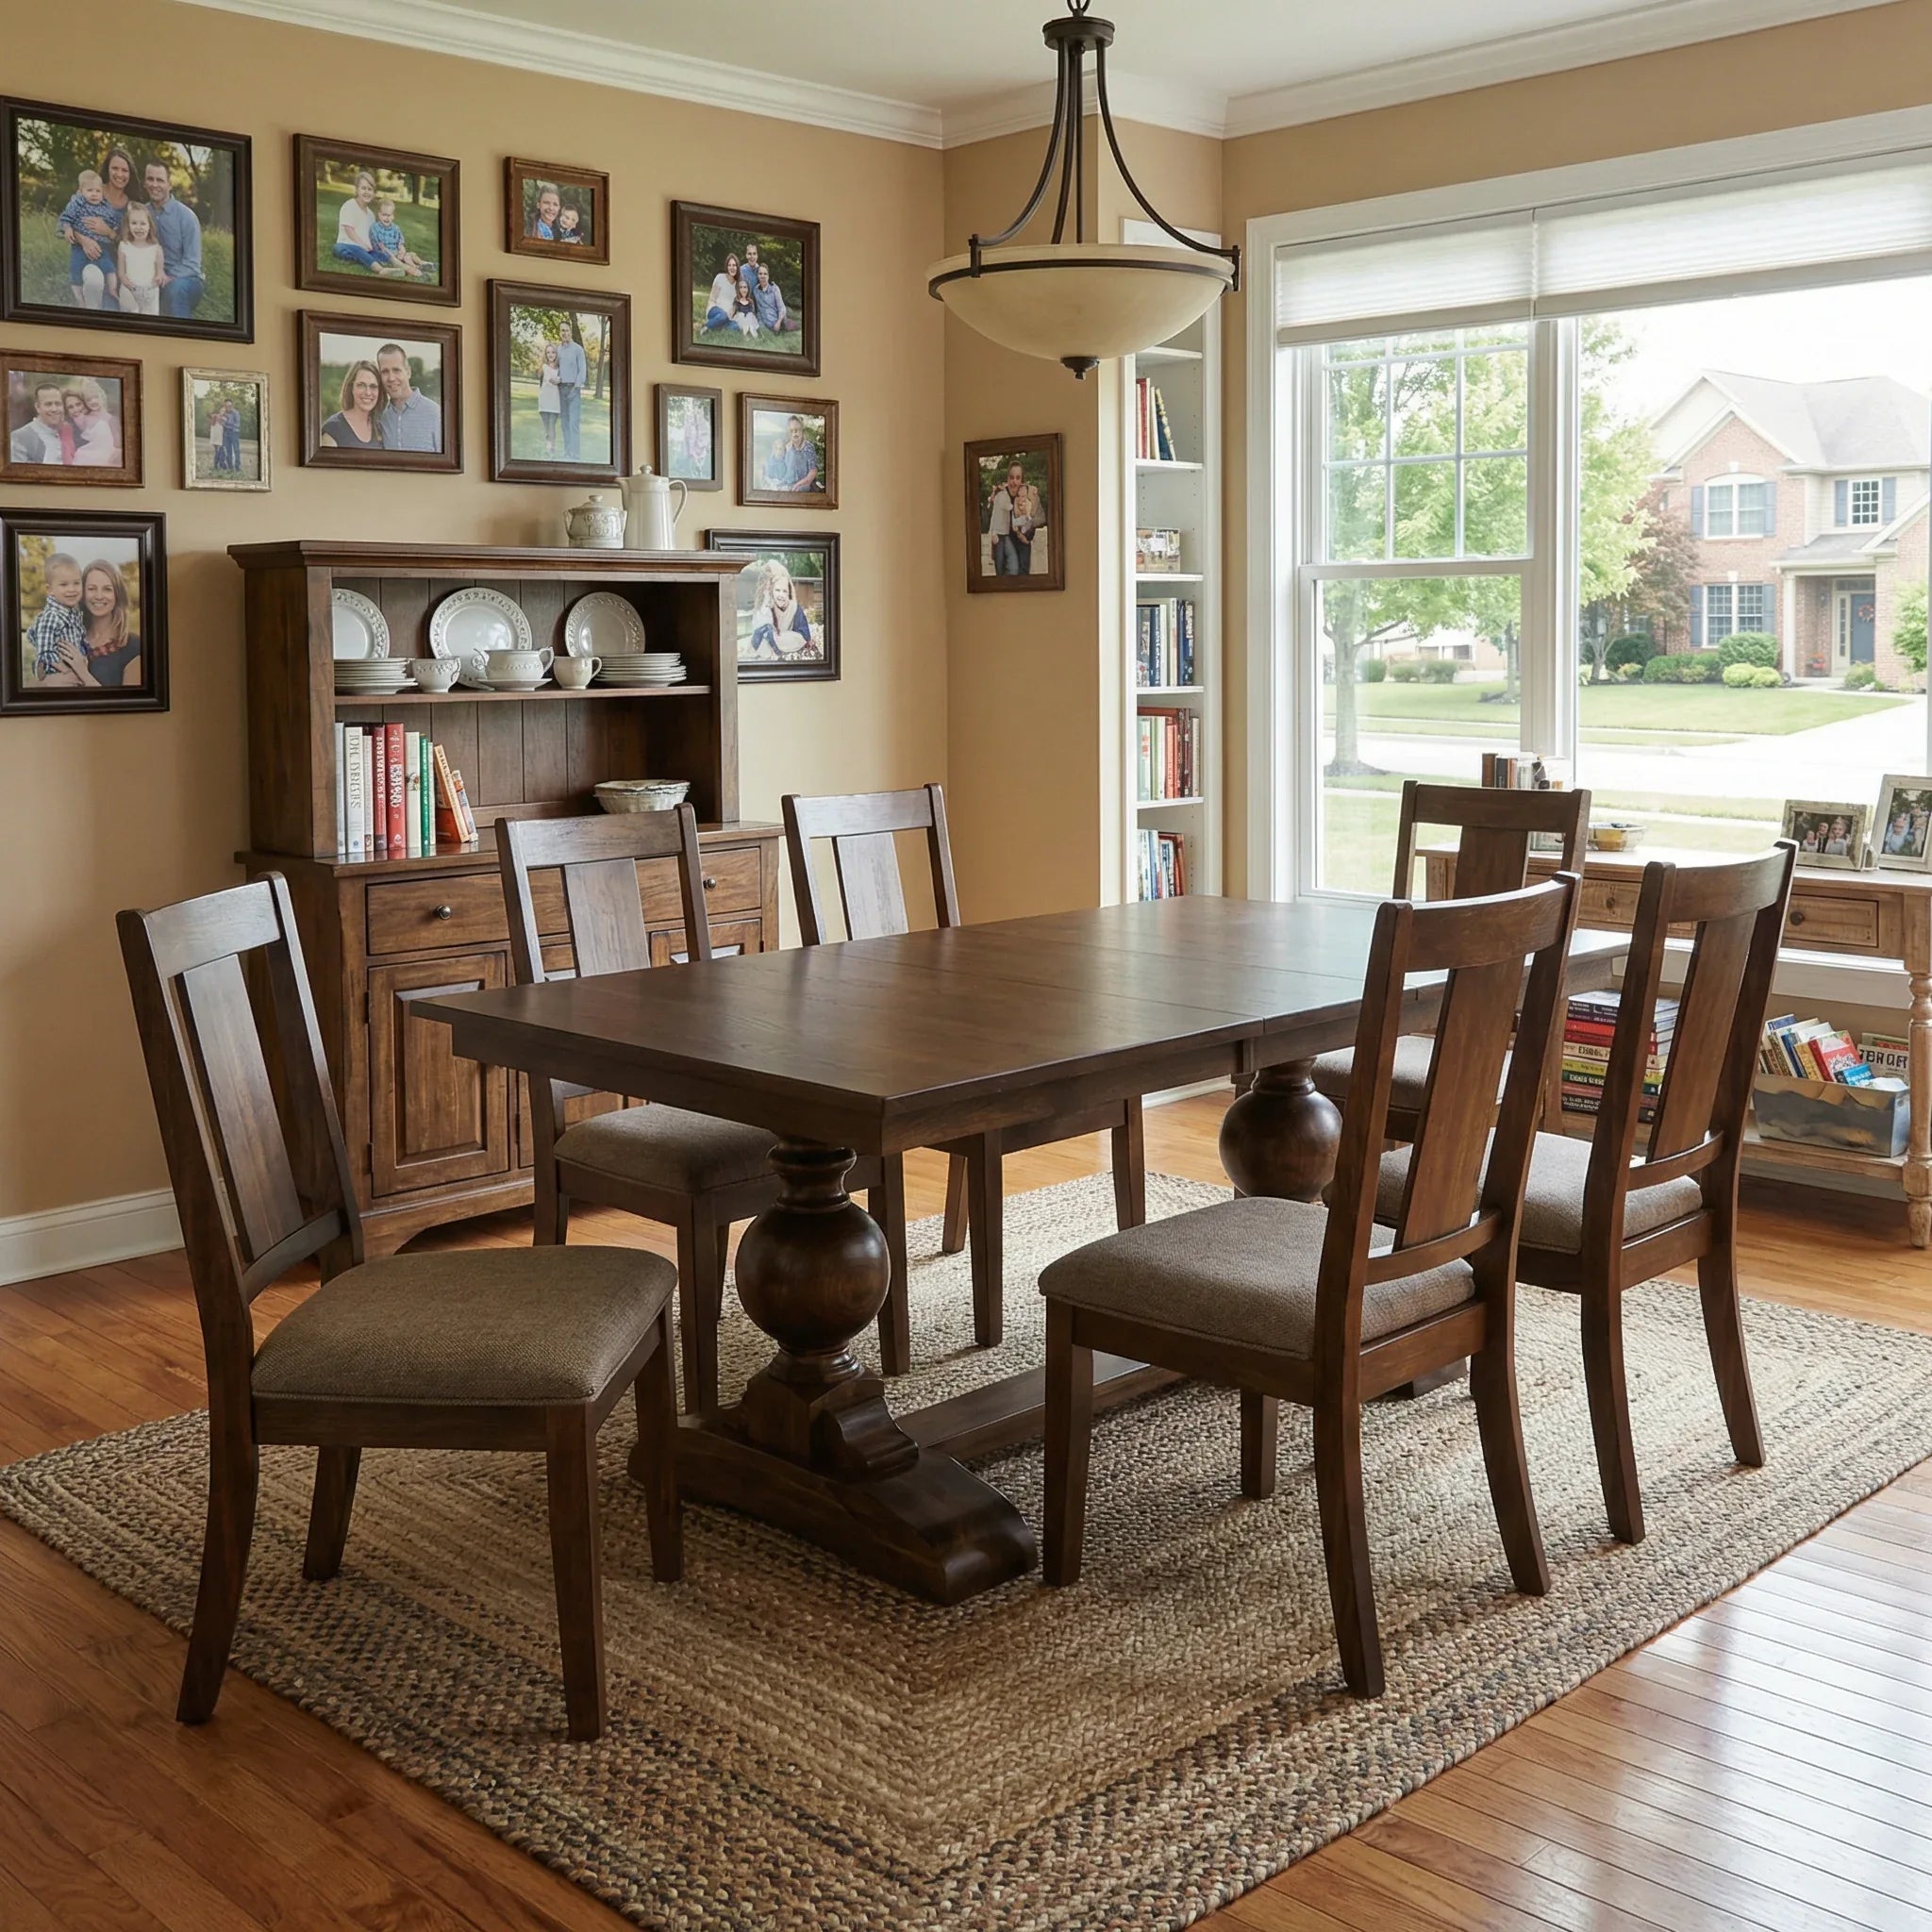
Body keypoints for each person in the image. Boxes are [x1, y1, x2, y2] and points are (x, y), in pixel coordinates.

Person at [39, 559, 142, 691]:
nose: (99, 596)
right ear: (82, 593)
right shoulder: (68, 635)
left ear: (117, 595)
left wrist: (83, 674)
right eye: (92, 589)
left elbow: (129, 707)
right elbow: (42, 684)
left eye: (107, 589)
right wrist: (44, 677)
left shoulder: (134, 647)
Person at [143, 158, 205, 318]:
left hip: (186, 280)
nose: (154, 184)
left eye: (160, 180)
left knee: (175, 290)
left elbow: (192, 264)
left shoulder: (187, 217)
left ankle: (185, 340)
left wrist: (167, 277)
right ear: (145, 182)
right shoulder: (140, 213)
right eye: (150, 179)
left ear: (169, 185)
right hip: (151, 278)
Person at [58, 168, 122, 308]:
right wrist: (69, 229)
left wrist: (112, 230)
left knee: (109, 267)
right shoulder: (77, 203)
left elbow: (113, 222)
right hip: (79, 246)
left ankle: (112, 289)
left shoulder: (105, 206)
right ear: (81, 191)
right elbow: (65, 218)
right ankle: (80, 300)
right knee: (76, 269)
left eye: (97, 191)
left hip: (102, 245)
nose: (94, 194)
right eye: (90, 190)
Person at [25, 552, 88, 678]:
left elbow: (78, 639)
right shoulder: (51, 616)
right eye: (64, 585)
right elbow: (45, 652)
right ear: (50, 590)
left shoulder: (73, 613)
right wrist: (65, 671)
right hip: (59, 673)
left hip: (76, 671)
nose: (72, 589)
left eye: (76, 583)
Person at [375, 341, 441, 452]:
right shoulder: (382, 417)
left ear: (408, 372)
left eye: (396, 370)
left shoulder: (435, 413)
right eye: (385, 372)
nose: (391, 378)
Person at [332, 169, 399, 275]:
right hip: (346, 246)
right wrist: (362, 244)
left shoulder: (371, 215)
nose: (367, 192)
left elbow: (371, 236)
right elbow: (349, 230)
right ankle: (380, 269)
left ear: (373, 193)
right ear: (357, 190)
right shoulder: (349, 205)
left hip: (366, 249)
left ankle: (401, 263)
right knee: (351, 250)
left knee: (379, 254)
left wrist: (380, 247)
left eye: (370, 189)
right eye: (363, 188)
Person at [746, 559, 816, 660]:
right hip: (768, 643)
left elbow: (805, 636)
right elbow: (758, 632)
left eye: (784, 591)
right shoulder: (767, 606)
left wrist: (778, 638)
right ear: (771, 591)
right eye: (777, 590)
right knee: (762, 639)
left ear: (789, 592)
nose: (781, 595)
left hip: (788, 642)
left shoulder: (795, 608)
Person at [319, 360, 385, 450]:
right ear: (351, 388)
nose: (368, 392)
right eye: (361, 385)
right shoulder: (333, 429)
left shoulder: (381, 428)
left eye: (373, 386)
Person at [988, 460, 1039, 575]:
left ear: (1022, 480)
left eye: (1017, 478)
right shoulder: (1002, 494)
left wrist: (1026, 536)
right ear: (1007, 478)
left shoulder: (1026, 495)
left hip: (1021, 543)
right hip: (1004, 542)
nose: (1014, 481)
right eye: (1011, 477)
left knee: (1022, 577)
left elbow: (1032, 521)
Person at [115, 201, 165, 315]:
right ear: (128, 225)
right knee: (132, 313)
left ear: (149, 226)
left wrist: (159, 277)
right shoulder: (124, 246)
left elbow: (160, 272)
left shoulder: (156, 248)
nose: (138, 228)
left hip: (149, 292)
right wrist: (127, 283)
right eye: (134, 223)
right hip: (130, 290)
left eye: (143, 223)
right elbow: (121, 273)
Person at [369, 196, 428, 279]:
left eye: (389, 215)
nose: (387, 218)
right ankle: (414, 267)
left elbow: (400, 242)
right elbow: (381, 247)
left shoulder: (395, 228)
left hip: (397, 253)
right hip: (385, 255)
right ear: (379, 214)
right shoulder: (375, 228)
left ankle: (422, 264)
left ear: (393, 216)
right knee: (404, 258)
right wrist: (393, 256)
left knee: (410, 255)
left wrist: (401, 250)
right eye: (384, 215)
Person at [9, 381, 67, 464]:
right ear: (38, 407)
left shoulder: (69, 431)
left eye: (58, 404)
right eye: (48, 404)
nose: (54, 409)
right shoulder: (20, 437)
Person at [554, 318, 586, 462]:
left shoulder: (578, 349)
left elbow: (582, 371)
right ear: (560, 333)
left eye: (567, 330)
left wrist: (576, 387)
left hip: (574, 389)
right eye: (562, 331)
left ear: (570, 332)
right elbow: (556, 369)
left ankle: (575, 454)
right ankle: (566, 452)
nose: (564, 333)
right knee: (564, 422)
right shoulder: (558, 350)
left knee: (573, 422)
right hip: (561, 389)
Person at [68, 380, 120, 467]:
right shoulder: (86, 416)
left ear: (102, 397)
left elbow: (117, 440)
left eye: (96, 397)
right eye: (89, 400)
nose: (93, 401)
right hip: (92, 450)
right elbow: (79, 423)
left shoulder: (111, 418)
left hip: (108, 451)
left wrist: (117, 451)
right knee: (81, 455)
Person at [762, 415, 818, 493]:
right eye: (791, 431)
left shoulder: (808, 447)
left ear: (802, 430)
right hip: (788, 484)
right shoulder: (787, 448)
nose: (794, 434)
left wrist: (797, 484)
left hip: (806, 485)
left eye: (797, 430)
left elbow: (813, 472)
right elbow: (782, 467)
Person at [703, 252, 740, 332]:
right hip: (715, 310)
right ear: (727, 267)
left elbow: (735, 304)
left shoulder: (738, 285)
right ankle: (706, 326)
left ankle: (717, 326)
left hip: (728, 316)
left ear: (737, 267)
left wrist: (731, 313)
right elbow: (712, 298)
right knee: (723, 316)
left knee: (736, 327)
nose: (732, 268)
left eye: (734, 265)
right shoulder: (720, 277)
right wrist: (717, 310)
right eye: (729, 265)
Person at [536, 341, 561, 455]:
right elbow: (551, 379)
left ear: (556, 354)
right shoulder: (545, 367)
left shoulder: (560, 367)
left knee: (552, 426)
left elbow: (559, 379)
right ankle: (548, 446)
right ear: (546, 355)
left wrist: (560, 379)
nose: (551, 354)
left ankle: (551, 447)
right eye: (548, 352)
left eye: (553, 352)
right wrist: (559, 379)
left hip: (555, 402)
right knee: (547, 427)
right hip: (544, 401)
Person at [751, 261, 787, 335]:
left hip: (776, 321)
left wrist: (778, 322)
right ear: (757, 275)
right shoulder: (756, 290)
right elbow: (758, 309)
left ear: (768, 276)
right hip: (763, 321)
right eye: (760, 274)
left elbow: (782, 308)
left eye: (765, 274)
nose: (762, 276)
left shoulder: (774, 288)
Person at [730, 274, 759, 338]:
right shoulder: (736, 300)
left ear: (748, 289)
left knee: (749, 315)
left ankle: (753, 332)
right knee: (741, 315)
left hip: (749, 320)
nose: (743, 290)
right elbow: (732, 313)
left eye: (745, 287)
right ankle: (745, 334)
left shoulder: (750, 301)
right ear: (738, 289)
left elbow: (753, 313)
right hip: (740, 320)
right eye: (741, 287)